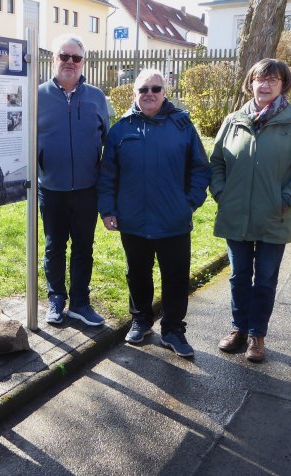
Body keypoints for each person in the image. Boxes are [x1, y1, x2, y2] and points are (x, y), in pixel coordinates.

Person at [98, 69, 211, 358]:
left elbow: (200, 168)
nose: (149, 93)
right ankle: (140, 320)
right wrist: (108, 209)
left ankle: (173, 330)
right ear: (134, 93)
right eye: (143, 88)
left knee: (175, 277)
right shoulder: (121, 129)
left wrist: (189, 203)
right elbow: (108, 173)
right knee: (137, 273)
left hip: (173, 220)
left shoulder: (182, 126)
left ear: (165, 93)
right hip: (133, 220)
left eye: (156, 88)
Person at [210, 58, 291, 362]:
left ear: (283, 85)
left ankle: (257, 336)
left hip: (275, 215)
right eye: (260, 79)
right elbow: (217, 162)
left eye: (273, 80)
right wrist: (221, 192)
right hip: (237, 215)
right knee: (238, 276)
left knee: (266, 279)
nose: (265, 85)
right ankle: (238, 329)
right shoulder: (233, 120)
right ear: (251, 83)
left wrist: (288, 197)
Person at [37, 34, 110, 327]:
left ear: (83, 62)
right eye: (63, 56)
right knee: (55, 245)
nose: (69, 62)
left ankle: (80, 302)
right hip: (50, 188)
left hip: (86, 188)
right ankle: (56, 299)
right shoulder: (37, 95)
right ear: (54, 59)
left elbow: (106, 137)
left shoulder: (96, 97)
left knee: (83, 246)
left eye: (75, 58)